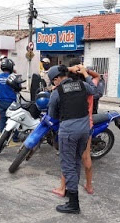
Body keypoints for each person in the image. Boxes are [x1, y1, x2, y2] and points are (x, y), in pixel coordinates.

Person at [48, 64, 97, 214]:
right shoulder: (82, 84)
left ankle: (74, 204)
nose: (53, 84)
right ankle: (71, 191)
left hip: (69, 132)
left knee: (67, 164)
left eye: (52, 81)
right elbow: (94, 90)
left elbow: (52, 114)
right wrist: (85, 74)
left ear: (56, 79)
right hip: (84, 130)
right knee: (76, 161)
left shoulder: (57, 92)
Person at [0, 58, 18, 132]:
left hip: (1, 102)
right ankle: (15, 138)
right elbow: (18, 87)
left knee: (3, 120)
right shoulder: (13, 77)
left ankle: (2, 138)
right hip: (11, 102)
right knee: (15, 120)